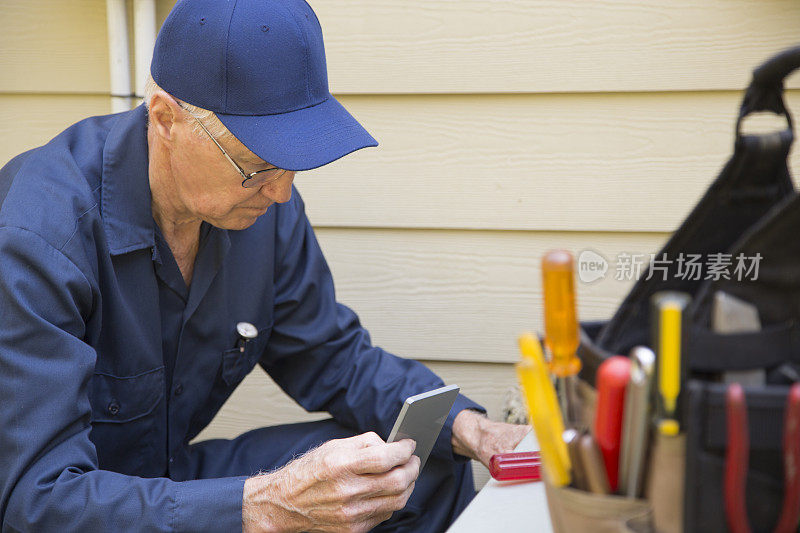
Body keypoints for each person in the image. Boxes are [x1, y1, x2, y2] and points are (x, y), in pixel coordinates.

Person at [0, 0, 529, 531]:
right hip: (73, 501)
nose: (280, 194)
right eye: (255, 166)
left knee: (418, 469)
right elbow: (36, 501)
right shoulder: (38, 238)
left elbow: (332, 357)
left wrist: (470, 428)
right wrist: (265, 504)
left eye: (292, 164)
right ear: (166, 119)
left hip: (170, 479)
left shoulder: (259, 213)